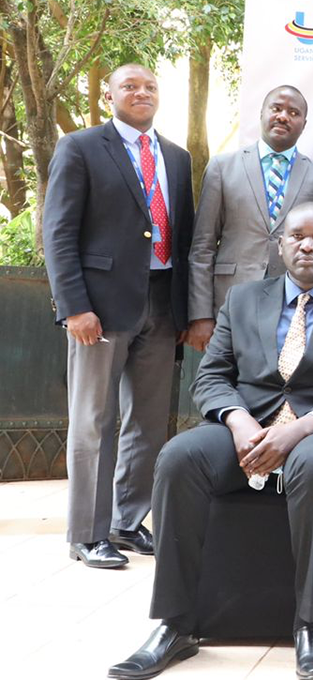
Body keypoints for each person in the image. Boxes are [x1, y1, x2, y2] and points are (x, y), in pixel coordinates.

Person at [108, 203, 313, 680]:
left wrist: (302, 428)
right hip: (249, 426)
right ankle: (176, 624)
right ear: (280, 245)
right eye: (297, 236)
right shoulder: (243, 299)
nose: (307, 245)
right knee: (179, 457)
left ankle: (311, 624)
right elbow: (211, 376)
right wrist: (239, 421)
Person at [43, 64, 195, 569]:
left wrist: (187, 310)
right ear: (109, 96)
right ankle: (87, 534)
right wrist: (74, 307)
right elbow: (58, 232)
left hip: (162, 304)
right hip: (100, 308)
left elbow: (185, 238)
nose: (141, 92)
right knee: (93, 421)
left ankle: (127, 522)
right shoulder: (81, 147)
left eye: (149, 86)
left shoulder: (176, 158)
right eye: (129, 86)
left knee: (147, 422)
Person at [186, 85, 313, 352]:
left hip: (292, 309)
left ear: (304, 124)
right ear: (262, 113)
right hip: (228, 301)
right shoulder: (222, 168)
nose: (283, 116)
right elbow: (202, 247)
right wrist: (200, 316)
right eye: (276, 108)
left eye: (293, 112)